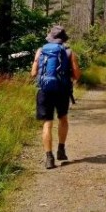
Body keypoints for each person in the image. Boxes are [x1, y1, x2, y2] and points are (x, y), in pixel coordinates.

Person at [31, 25, 81, 170]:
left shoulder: (40, 51)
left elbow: (33, 73)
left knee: (47, 123)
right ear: (63, 39)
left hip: (44, 90)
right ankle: (61, 149)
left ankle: (49, 157)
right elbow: (77, 75)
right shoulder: (69, 52)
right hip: (62, 90)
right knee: (63, 118)